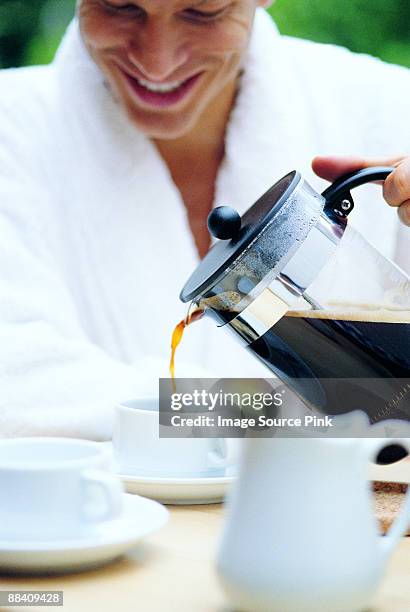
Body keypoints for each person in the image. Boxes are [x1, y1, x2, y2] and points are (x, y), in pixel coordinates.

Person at [0, 0, 409, 439]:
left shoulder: (387, 107)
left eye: (202, 12)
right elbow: (18, 384)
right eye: (119, 7)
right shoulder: (13, 128)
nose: (158, 61)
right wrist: (283, 416)